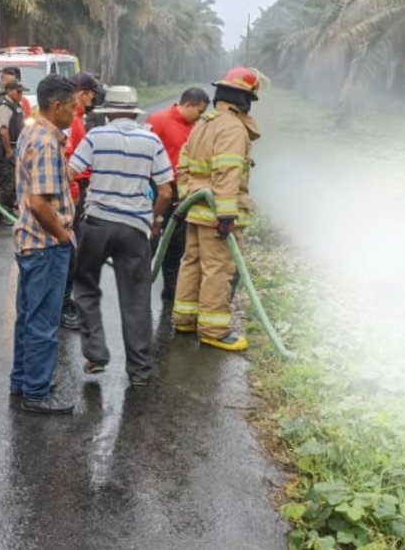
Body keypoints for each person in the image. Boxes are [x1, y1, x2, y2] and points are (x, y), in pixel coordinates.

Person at [68, 86, 173, 386]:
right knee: (137, 299)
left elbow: (71, 172)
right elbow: (166, 190)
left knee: (85, 286)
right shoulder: (151, 140)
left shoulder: (95, 137)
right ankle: (139, 372)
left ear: (108, 112)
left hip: (97, 223)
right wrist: (154, 218)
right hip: (134, 229)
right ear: (134, 111)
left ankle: (96, 355)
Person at [171, 68, 263, 352]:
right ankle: (213, 329)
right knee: (218, 268)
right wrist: (225, 215)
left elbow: (183, 164)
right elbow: (227, 172)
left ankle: (185, 318)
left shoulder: (204, 123)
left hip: (197, 208)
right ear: (244, 99)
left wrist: (188, 195)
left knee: (192, 262)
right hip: (217, 215)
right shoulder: (233, 128)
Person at [10, 74, 79, 414]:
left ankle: (23, 381)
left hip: (29, 243)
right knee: (43, 322)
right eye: (73, 107)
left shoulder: (32, 132)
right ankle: (36, 394)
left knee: (28, 317)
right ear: (56, 106)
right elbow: (40, 203)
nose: (76, 113)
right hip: (45, 246)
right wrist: (63, 235)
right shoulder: (46, 142)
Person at [146, 87, 211, 300]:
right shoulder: (158, 121)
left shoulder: (198, 128)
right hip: (157, 190)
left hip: (182, 194)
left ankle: (171, 289)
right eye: (199, 111)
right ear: (189, 104)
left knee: (176, 244)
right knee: (151, 238)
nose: (200, 116)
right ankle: (139, 286)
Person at [59, 71, 105, 329]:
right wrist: (75, 194)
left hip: (79, 189)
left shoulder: (77, 119)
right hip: (73, 191)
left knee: (73, 249)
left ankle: (65, 301)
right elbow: (68, 165)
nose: (93, 99)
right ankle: (63, 306)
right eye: (91, 94)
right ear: (81, 93)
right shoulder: (72, 121)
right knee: (70, 250)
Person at [0, 80, 28, 227]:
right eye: (19, 92)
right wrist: (8, 152)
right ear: (10, 91)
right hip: (6, 151)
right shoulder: (3, 107)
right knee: (6, 183)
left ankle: (8, 210)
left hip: (16, 148)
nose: (21, 95)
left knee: (13, 182)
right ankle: (1, 215)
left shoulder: (16, 106)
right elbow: (3, 131)